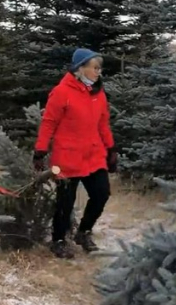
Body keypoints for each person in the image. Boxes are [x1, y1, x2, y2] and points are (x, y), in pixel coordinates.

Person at [33, 48, 118, 259]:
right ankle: (58, 240)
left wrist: (111, 148)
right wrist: (40, 150)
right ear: (81, 68)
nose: (99, 72)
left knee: (101, 193)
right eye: (95, 68)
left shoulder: (98, 94)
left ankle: (84, 232)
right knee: (65, 201)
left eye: (100, 68)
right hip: (67, 156)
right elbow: (49, 123)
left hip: (93, 154)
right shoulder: (62, 92)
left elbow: (103, 124)